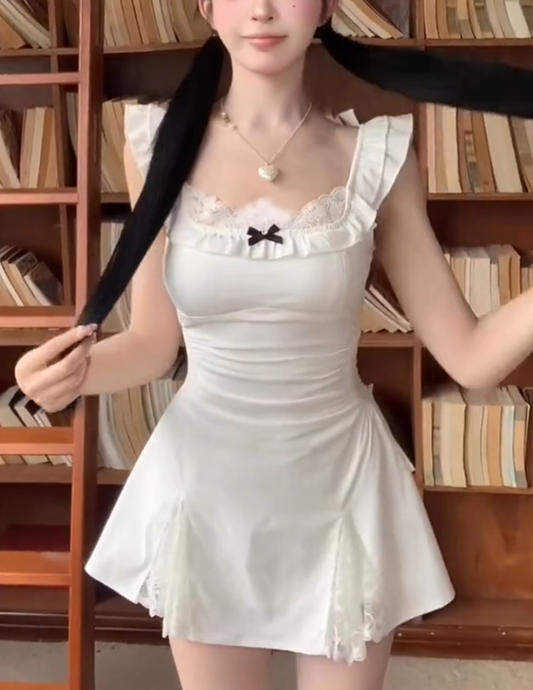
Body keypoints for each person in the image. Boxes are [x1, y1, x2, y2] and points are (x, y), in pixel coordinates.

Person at [13, 1, 533, 688]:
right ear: (207, 7)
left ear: (323, 8)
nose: (261, 9)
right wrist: (65, 376)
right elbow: (150, 345)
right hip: (206, 491)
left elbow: (469, 357)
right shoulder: (154, 145)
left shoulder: (375, 156)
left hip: (341, 491)